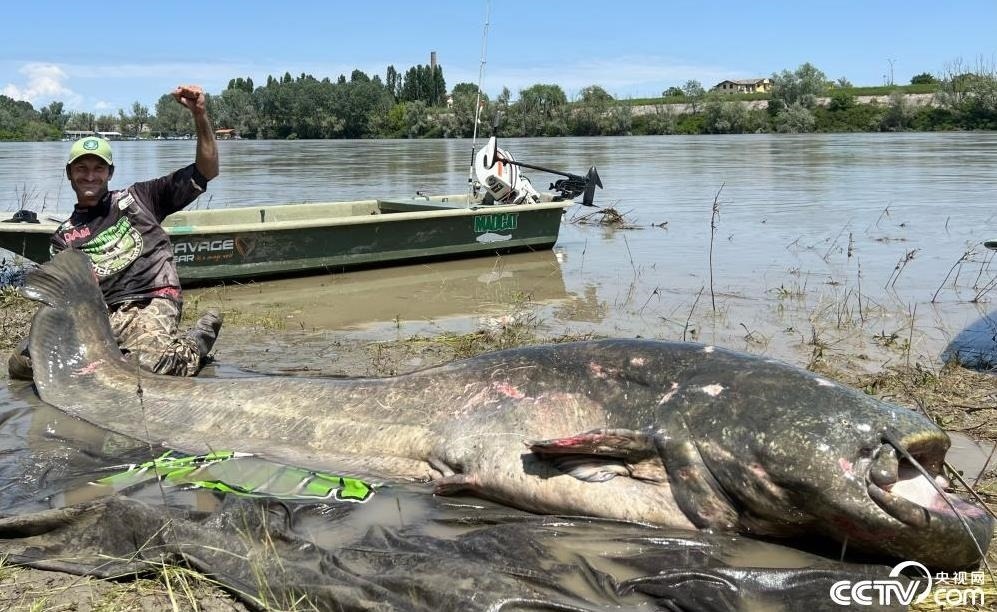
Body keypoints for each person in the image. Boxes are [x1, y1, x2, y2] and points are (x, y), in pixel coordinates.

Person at [8, 84, 222, 380]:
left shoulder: (141, 198)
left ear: (110, 172)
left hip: (152, 299)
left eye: (98, 168)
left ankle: (196, 342)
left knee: (147, 368)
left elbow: (207, 170)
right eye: (81, 168)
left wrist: (200, 115)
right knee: (24, 365)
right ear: (69, 173)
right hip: (102, 314)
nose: (90, 175)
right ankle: (121, 353)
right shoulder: (63, 238)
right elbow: (67, 297)